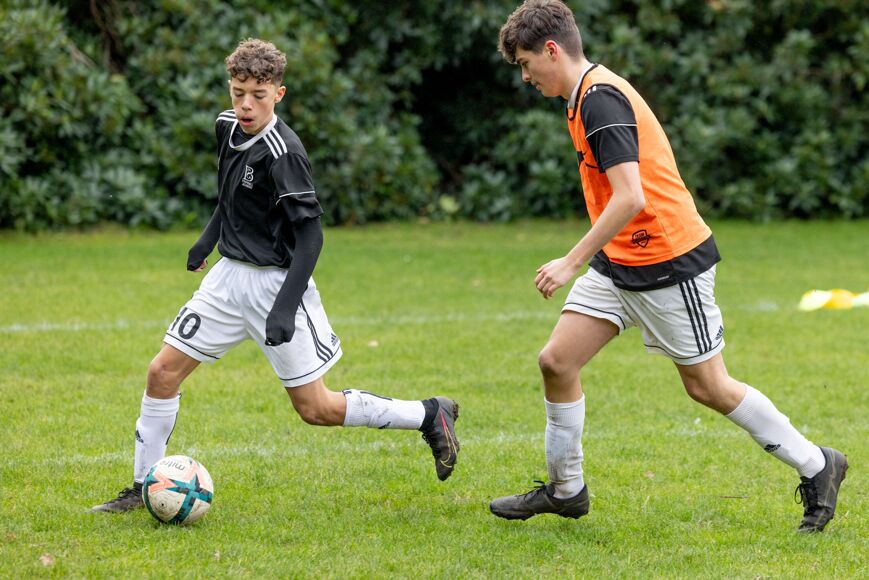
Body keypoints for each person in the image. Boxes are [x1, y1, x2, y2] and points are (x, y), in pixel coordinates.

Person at [489, 0, 846, 532]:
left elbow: (631, 196)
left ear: (551, 49)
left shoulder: (600, 102)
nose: (525, 77)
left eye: (524, 64)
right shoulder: (581, 98)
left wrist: (570, 261)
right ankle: (567, 490)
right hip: (621, 263)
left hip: (668, 263)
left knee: (709, 387)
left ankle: (818, 465)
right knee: (557, 362)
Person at [91, 38, 460, 514]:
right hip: (227, 281)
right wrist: (208, 240)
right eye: (238, 91)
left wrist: (285, 305)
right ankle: (144, 489)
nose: (245, 104)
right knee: (161, 372)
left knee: (316, 409)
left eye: (258, 95)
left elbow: (311, 237)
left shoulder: (283, 153)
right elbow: (229, 196)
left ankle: (428, 414)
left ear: (278, 94)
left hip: (275, 285)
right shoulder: (226, 127)